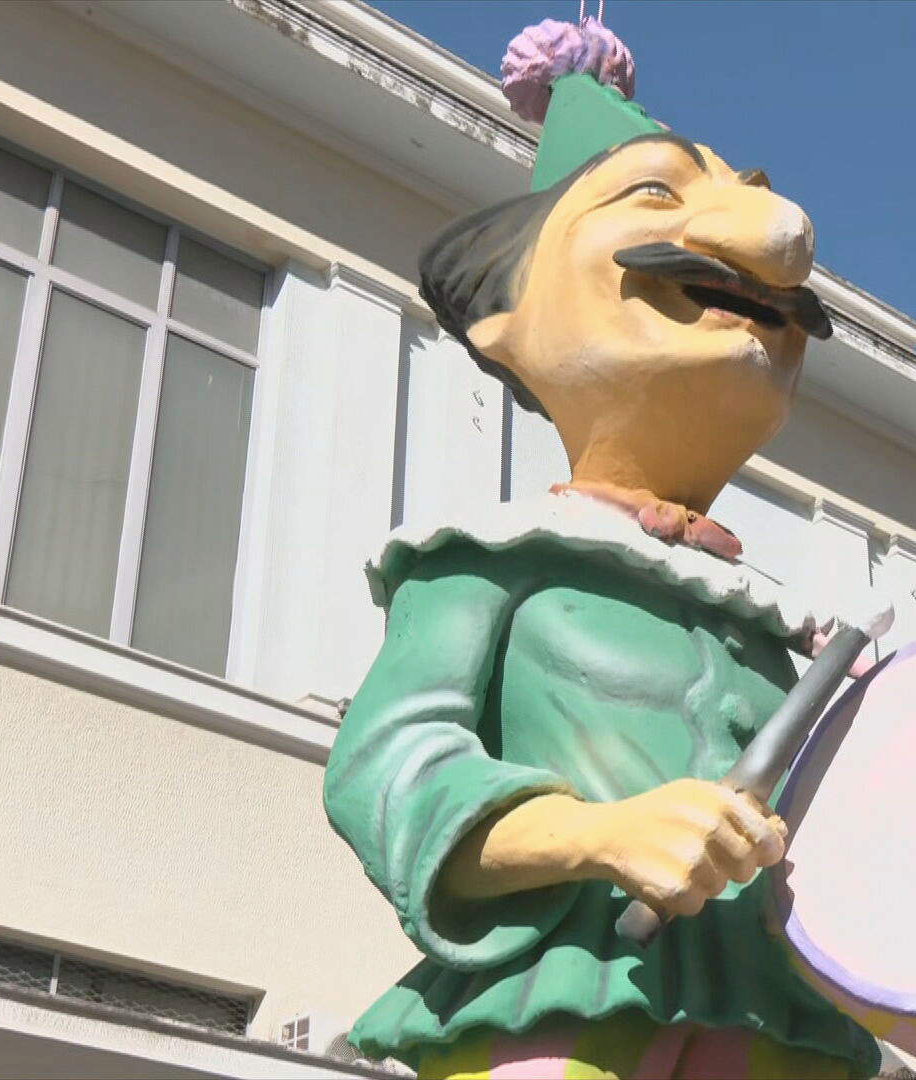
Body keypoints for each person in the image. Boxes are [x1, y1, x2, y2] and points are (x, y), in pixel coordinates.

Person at [324, 59, 885, 1080]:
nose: (774, 238)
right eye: (655, 192)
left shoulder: (780, 631)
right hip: (558, 1004)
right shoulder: (485, 559)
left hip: (783, 1028)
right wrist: (595, 834)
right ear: (505, 318)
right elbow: (389, 767)